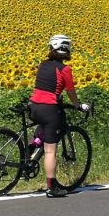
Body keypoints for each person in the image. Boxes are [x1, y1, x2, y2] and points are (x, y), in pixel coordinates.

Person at [28, 34, 90, 198]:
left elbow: (44, 85)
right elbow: (70, 92)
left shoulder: (42, 65)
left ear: (51, 49)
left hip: (33, 106)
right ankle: (52, 187)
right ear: (67, 50)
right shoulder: (65, 70)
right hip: (49, 109)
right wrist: (78, 105)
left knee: (42, 127)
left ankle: (31, 147)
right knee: (50, 151)